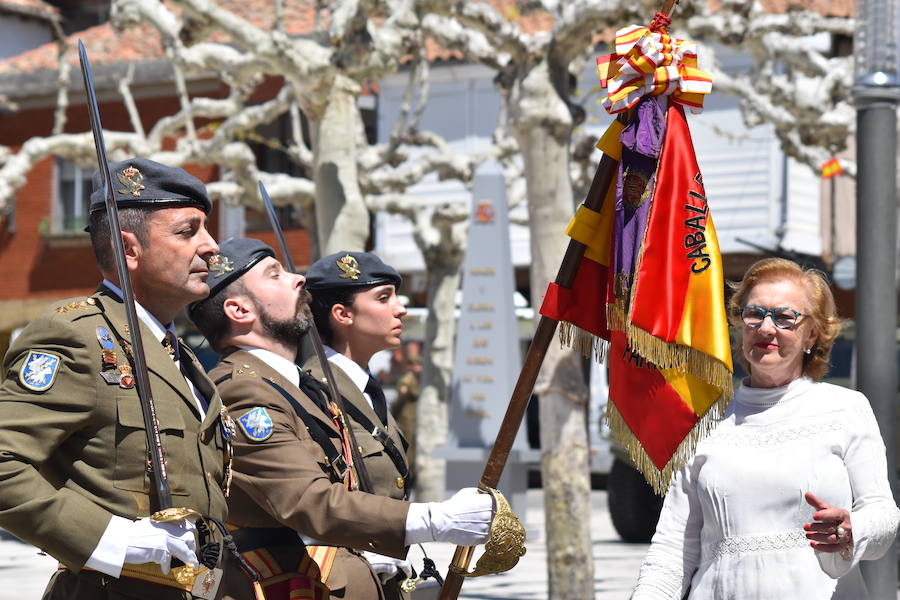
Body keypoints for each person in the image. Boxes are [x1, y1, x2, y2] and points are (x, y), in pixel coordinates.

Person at [188, 239, 494, 600]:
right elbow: (305, 499)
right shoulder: (244, 391)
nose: (298, 280)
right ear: (239, 310)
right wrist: (433, 521)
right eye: (275, 275)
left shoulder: (296, 385)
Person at [0, 158, 233, 598]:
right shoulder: (78, 336)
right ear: (130, 250)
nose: (212, 246)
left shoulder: (177, 354)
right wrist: (111, 542)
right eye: (188, 231)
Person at [631, 257, 900, 599]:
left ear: (812, 333)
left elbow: (883, 515)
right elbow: (673, 548)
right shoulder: (703, 420)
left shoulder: (846, 408)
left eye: (785, 317)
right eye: (754, 314)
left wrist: (852, 529)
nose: (766, 328)